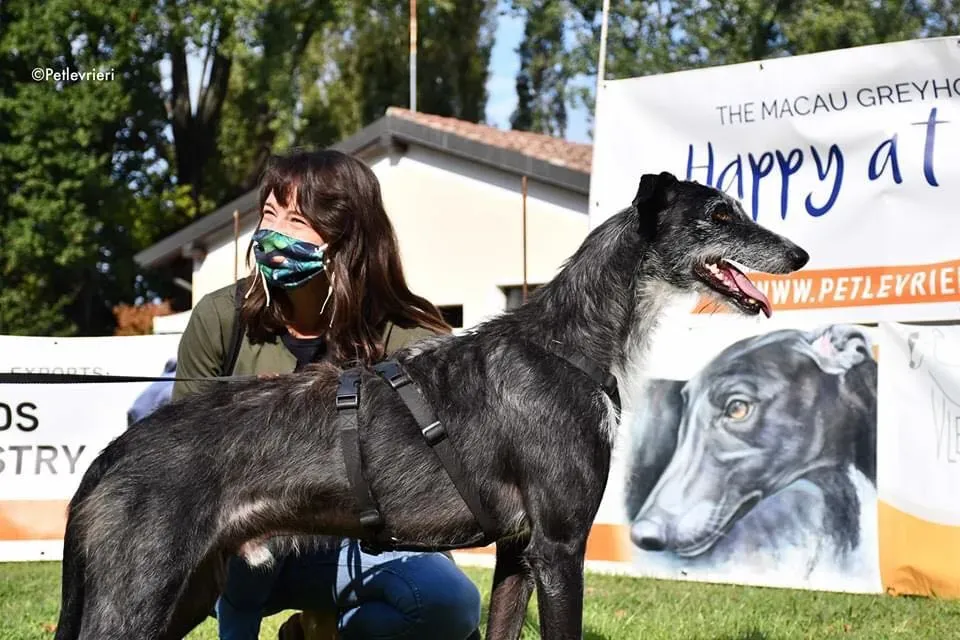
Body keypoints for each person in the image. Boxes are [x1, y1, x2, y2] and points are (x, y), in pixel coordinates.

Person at [171, 149, 482, 640]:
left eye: (296, 221)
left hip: (365, 539)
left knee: (452, 606)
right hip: (245, 544)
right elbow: (181, 454)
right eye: (269, 214)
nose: (273, 234)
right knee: (249, 540)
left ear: (347, 239)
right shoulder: (220, 317)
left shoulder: (411, 335)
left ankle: (322, 633)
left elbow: (436, 469)